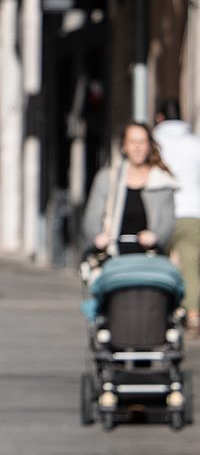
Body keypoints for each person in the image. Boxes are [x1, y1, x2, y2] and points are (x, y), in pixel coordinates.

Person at [82, 122, 177, 258]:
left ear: (149, 146)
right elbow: (92, 216)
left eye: (142, 142)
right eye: (132, 142)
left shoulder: (162, 182)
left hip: (150, 258)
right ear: (124, 146)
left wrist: (156, 237)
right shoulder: (107, 178)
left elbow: (168, 222)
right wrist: (98, 237)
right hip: (112, 256)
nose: (137, 147)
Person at [153, 99, 200, 329]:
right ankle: (192, 313)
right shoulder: (195, 143)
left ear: (159, 117)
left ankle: (164, 311)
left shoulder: (155, 142)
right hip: (192, 211)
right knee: (190, 264)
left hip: (162, 211)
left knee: (160, 263)